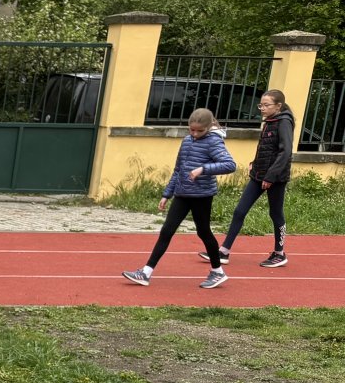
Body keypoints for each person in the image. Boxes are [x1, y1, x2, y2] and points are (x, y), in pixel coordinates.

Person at [122, 107, 236, 289]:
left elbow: (230, 165)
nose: (195, 133)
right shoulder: (186, 140)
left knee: (203, 232)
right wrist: (167, 194)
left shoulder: (214, 142)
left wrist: (203, 169)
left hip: (201, 195)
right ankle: (146, 272)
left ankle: (217, 271)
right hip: (182, 193)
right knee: (166, 231)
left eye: (200, 131)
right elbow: (178, 170)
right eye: (192, 130)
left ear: (209, 127)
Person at [204, 89, 294, 269]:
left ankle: (279, 253)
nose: (262, 108)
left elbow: (285, 152)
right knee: (240, 211)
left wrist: (271, 176)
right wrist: (255, 163)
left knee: (275, 213)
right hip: (258, 175)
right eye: (261, 105)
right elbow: (266, 148)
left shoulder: (284, 122)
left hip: (276, 178)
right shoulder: (269, 121)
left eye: (266, 105)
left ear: (278, 106)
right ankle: (224, 251)